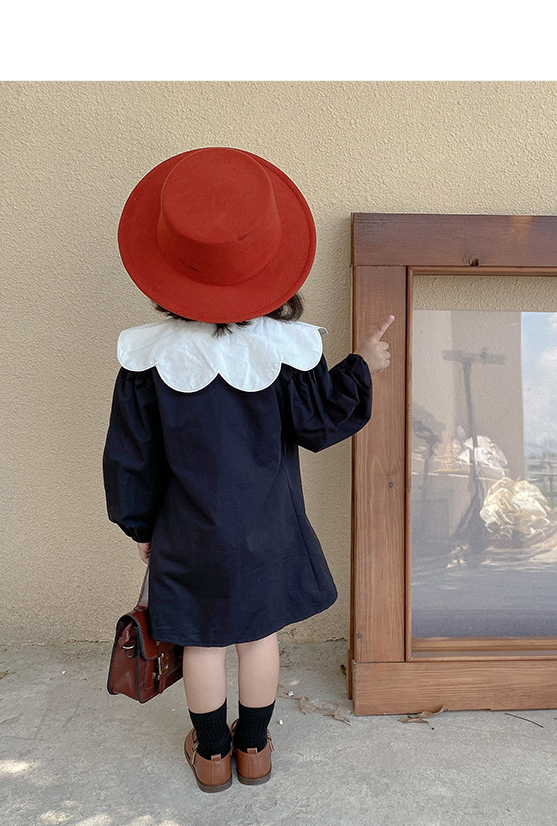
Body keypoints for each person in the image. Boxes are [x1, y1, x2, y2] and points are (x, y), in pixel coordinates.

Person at [103, 146, 392, 793]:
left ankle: (212, 756)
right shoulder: (286, 350)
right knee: (258, 636)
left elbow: (130, 456)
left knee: (202, 641)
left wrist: (140, 526)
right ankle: (254, 748)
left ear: (170, 267)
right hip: (267, 528)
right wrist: (361, 365)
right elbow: (318, 424)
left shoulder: (147, 360)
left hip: (186, 531)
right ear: (267, 262)